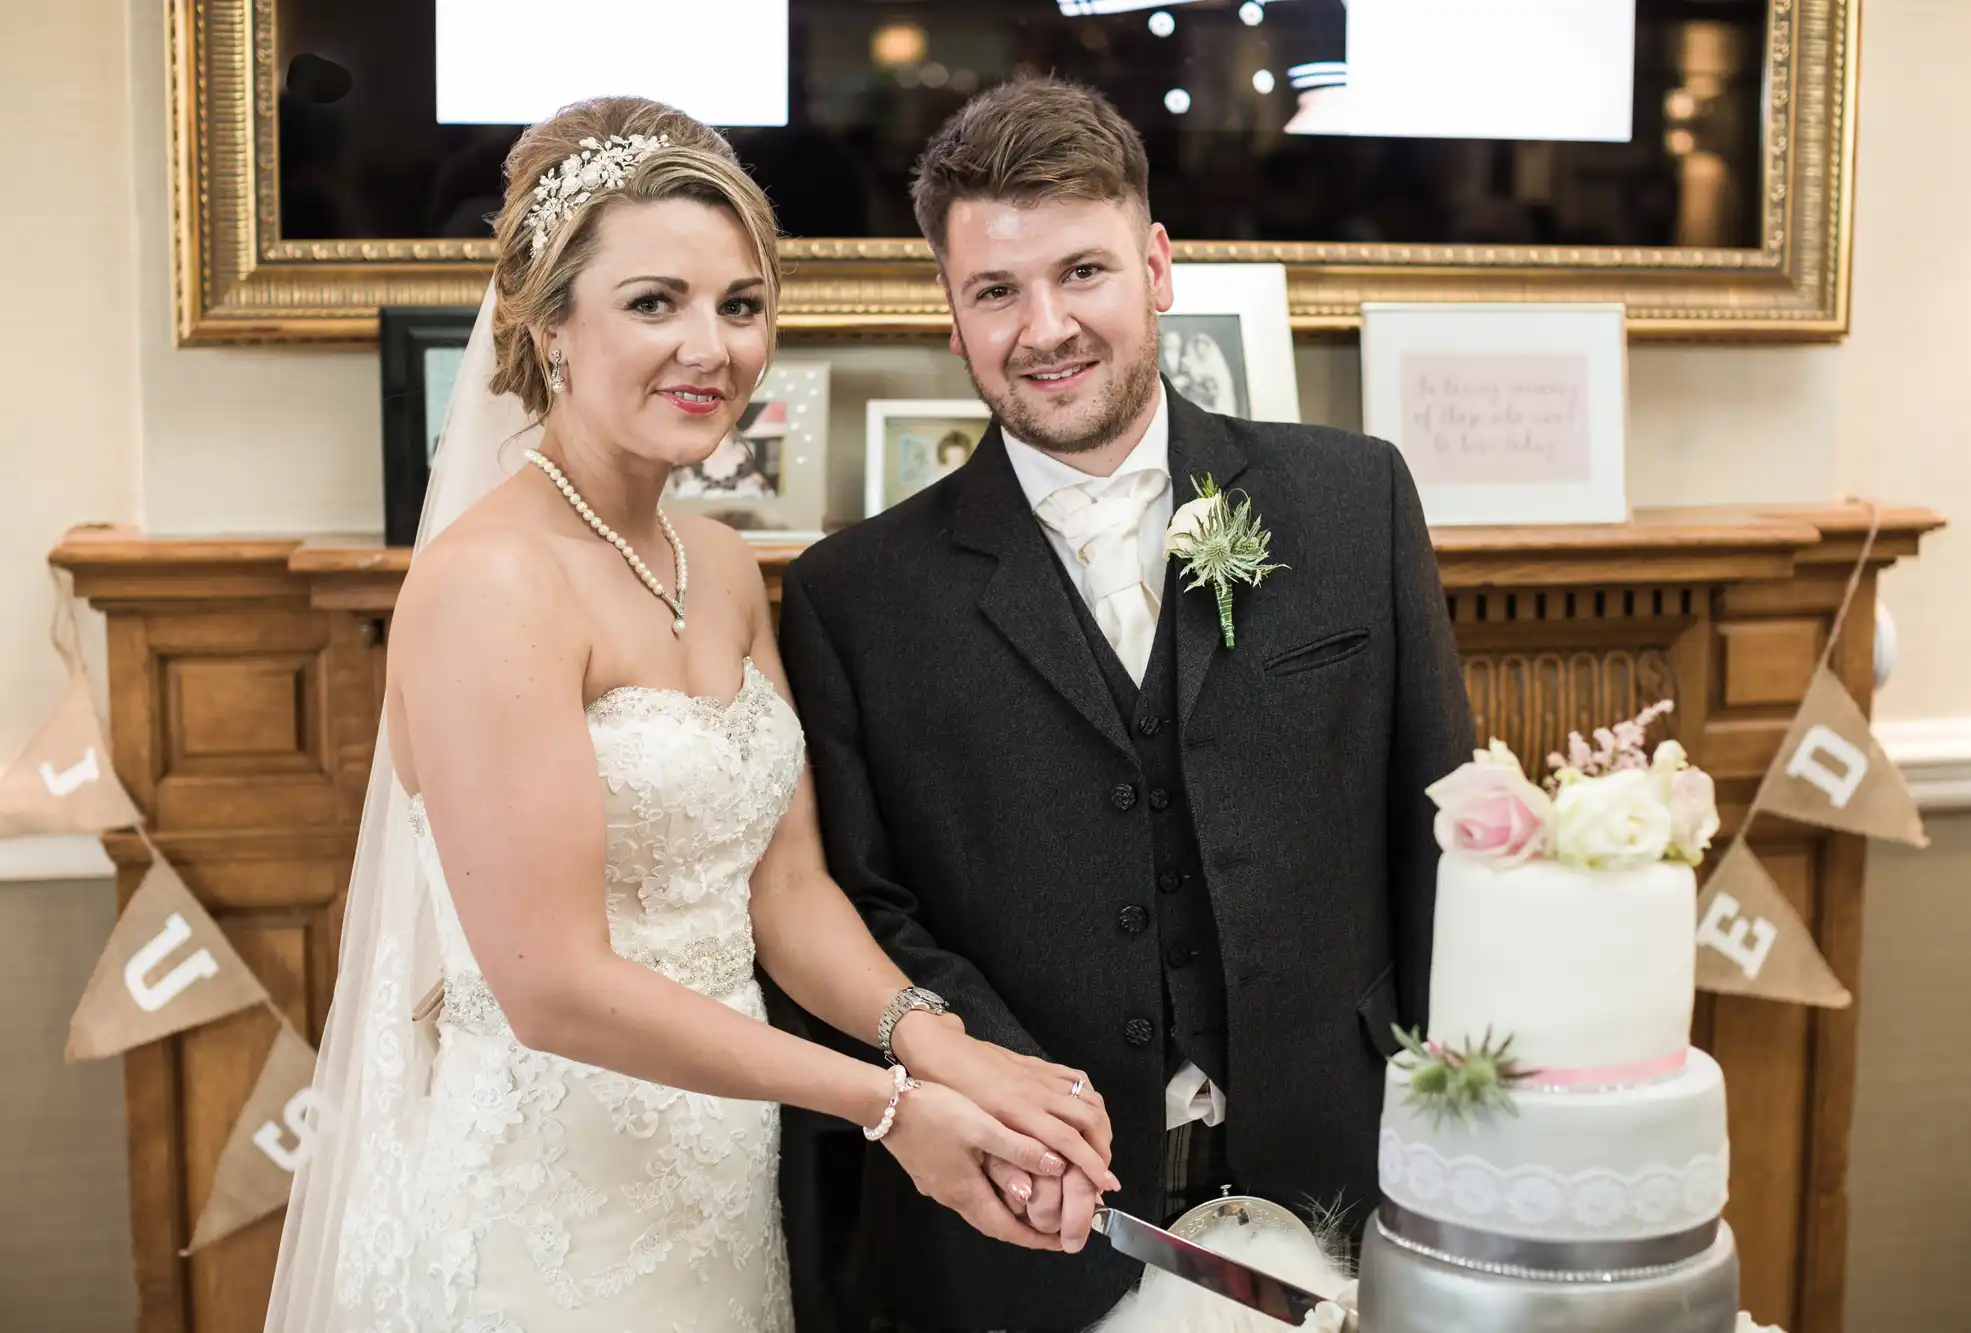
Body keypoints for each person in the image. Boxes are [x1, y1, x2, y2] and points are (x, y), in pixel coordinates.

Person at [263, 97, 1115, 1333]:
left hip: (714, 1190)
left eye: (738, 304)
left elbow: (787, 895)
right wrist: (884, 1106)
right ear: (548, 325)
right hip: (541, 1218)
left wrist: (935, 1042)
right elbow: (550, 982)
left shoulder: (711, 562)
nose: (708, 347)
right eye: (652, 303)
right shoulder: (488, 582)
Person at [779, 77, 1475, 1330]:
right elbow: (865, 906)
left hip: (1347, 1193)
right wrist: (1007, 1099)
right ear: (951, 313)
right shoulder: (854, 596)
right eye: (995, 290)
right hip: (1030, 1234)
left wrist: (1458, 1147)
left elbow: (1433, 838)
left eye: (1081, 272)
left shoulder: (1351, 502)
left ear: (1155, 266)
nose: (1044, 326)